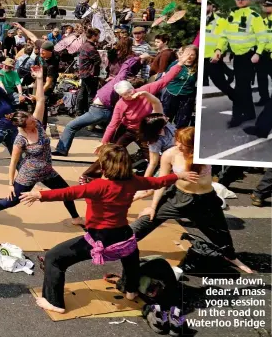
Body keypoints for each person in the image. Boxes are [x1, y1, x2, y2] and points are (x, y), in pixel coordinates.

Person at [19, 143, 199, 314]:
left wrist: (39, 194)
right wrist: (178, 176)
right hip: (125, 236)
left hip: (99, 238)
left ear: (103, 167)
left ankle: (54, 303)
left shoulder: (98, 186)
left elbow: (69, 193)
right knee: (131, 261)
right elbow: (156, 182)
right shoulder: (133, 180)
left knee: (54, 258)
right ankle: (131, 291)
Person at [0, 65, 83, 232]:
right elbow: (13, 162)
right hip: (28, 174)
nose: (35, 122)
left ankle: (75, 218)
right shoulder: (20, 139)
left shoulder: (37, 124)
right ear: (23, 126)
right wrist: (10, 184)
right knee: (12, 201)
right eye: (31, 122)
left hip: (47, 171)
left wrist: (39, 78)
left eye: (32, 119)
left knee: (66, 193)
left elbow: (41, 100)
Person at [130, 127, 253, 274]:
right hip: (177, 197)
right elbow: (162, 181)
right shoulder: (170, 154)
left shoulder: (207, 152)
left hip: (206, 201)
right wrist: (153, 206)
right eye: (178, 140)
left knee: (221, 233)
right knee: (144, 222)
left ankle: (230, 257)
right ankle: (116, 244)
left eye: (184, 143)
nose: (179, 145)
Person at [52, 37, 146, 157]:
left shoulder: (119, 79)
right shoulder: (117, 80)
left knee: (71, 126)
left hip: (99, 110)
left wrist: (138, 58)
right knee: (117, 134)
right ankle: (127, 153)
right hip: (105, 109)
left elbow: (125, 68)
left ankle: (62, 150)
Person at [213, 0, 267, 128]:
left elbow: (263, 37)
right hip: (237, 56)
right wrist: (219, 49)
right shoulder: (231, 16)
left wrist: (258, 53)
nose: (240, 1)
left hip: (249, 56)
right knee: (244, 87)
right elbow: (224, 36)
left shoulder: (254, 16)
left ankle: (236, 117)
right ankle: (249, 113)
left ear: (248, 0)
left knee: (240, 87)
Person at [204, 0, 236, 100]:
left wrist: (218, 52)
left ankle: (238, 99)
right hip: (197, 56)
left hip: (211, 57)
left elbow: (223, 39)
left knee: (219, 83)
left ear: (211, 6)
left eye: (206, 5)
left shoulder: (220, 21)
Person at [160, 45, 198, 128]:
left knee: (182, 121)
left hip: (187, 96)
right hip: (171, 93)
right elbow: (166, 76)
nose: (189, 57)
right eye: (187, 54)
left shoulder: (197, 67)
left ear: (196, 56)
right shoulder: (176, 64)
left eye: (192, 55)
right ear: (183, 54)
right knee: (166, 117)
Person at [75, 28, 101, 117]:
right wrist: (96, 74)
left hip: (83, 73)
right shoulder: (90, 47)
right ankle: (90, 115)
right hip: (90, 74)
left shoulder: (84, 45)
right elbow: (98, 61)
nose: (99, 37)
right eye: (98, 36)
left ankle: (79, 111)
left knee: (82, 92)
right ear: (94, 36)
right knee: (91, 94)